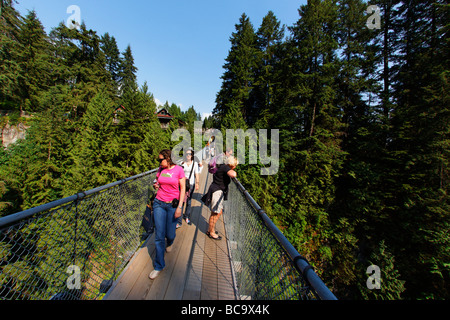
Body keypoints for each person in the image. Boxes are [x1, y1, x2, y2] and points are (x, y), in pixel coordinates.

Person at [149, 149, 186, 280]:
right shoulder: (160, 170)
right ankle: (159, 265)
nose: (159, 162)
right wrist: (156, 185)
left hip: (172, 205)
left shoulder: (179, 170)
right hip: (159, 203)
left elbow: (183, 189)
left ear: (168, 158)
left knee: (170, 233)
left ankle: (170, 241)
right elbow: (158, 182)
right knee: (159, 235)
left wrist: (180, 207)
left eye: (161, 160)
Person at [201, 156, 238, 240]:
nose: (236, 167)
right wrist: (233, 171)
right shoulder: (225, 167)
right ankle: (211, 232)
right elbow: (233, 174)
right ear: (232, 165)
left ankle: (210, 229)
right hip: (217, 192)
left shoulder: (223, 166)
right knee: (215, 214)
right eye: (235, 165)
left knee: (218, 212)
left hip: (217, 190)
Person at [178, 148, 200, 227]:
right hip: (182, 184)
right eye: (187, 154)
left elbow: (196, 174)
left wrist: (197, 183)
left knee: (189, 201)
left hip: (191, 184)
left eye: (190, 154)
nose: (188, 155)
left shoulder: (195, 164)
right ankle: (179, 220)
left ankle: (186, 216)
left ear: (192, 155)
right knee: (182, 201)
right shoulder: (182, 163)